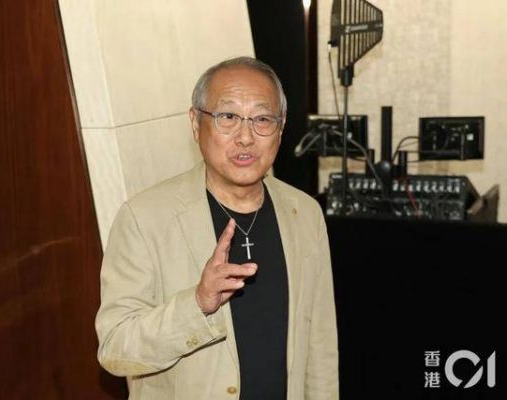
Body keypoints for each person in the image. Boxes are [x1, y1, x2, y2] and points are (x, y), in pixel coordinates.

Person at [95, 56, 338, 399]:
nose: (245, 137)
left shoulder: (306, 214)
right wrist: (196, 304)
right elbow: (115, 348)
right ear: (196, 123)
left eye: (262, 119)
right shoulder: (144, 218)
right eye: (228, 117)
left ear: (281, 129)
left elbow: (320, 346)